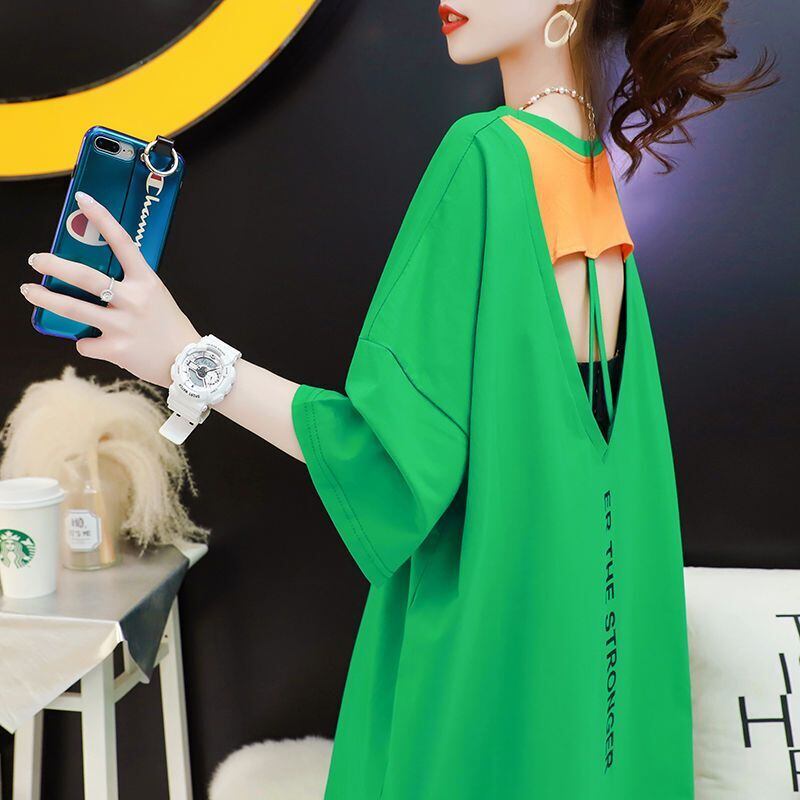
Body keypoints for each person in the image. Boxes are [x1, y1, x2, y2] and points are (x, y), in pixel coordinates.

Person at [20, 1, 777, 796]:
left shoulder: (486, 156)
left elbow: (389, 457)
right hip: (594, 668)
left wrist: (186, 358)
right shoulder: (587, 169)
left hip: (487, 668)